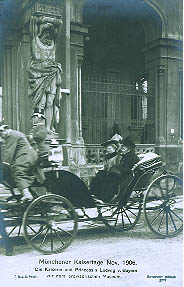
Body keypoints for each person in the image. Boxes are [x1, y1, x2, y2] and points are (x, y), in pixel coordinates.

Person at [28, 16, 63, 131]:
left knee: (50, 102)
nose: (48, 35)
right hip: (40, 74)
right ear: (41, 32)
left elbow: (60, 23)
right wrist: (42, 20)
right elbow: (33, 22)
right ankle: (39, 128)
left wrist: (51, 21)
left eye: (50, 32)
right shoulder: (35, 40)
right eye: (46, 32)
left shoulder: (53, 42)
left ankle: (48, 128)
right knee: (41, 102)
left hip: (52, 73)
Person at [0, 124, 40, 201]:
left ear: (3, 130)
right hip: (25, 155)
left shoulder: (12, 136)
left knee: (18, 170)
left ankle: (26, 194)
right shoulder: (14, 134)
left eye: (1, 134)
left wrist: (4, 163)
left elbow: (8, 153)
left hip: (27, 156)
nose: (1, 137)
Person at [90, 134, 123, 203]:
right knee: (96, 178)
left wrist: (112, 170)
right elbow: (105, 166)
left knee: (108, 181)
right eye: (107, 148)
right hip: (108, 173)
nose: (108, 150)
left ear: (114, 149)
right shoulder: (107, 157)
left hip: (115, 174)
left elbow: (119, 167)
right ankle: (95, 195)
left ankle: (105, 198)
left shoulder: (118, 157)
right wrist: (100, 170)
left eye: (110, 148)